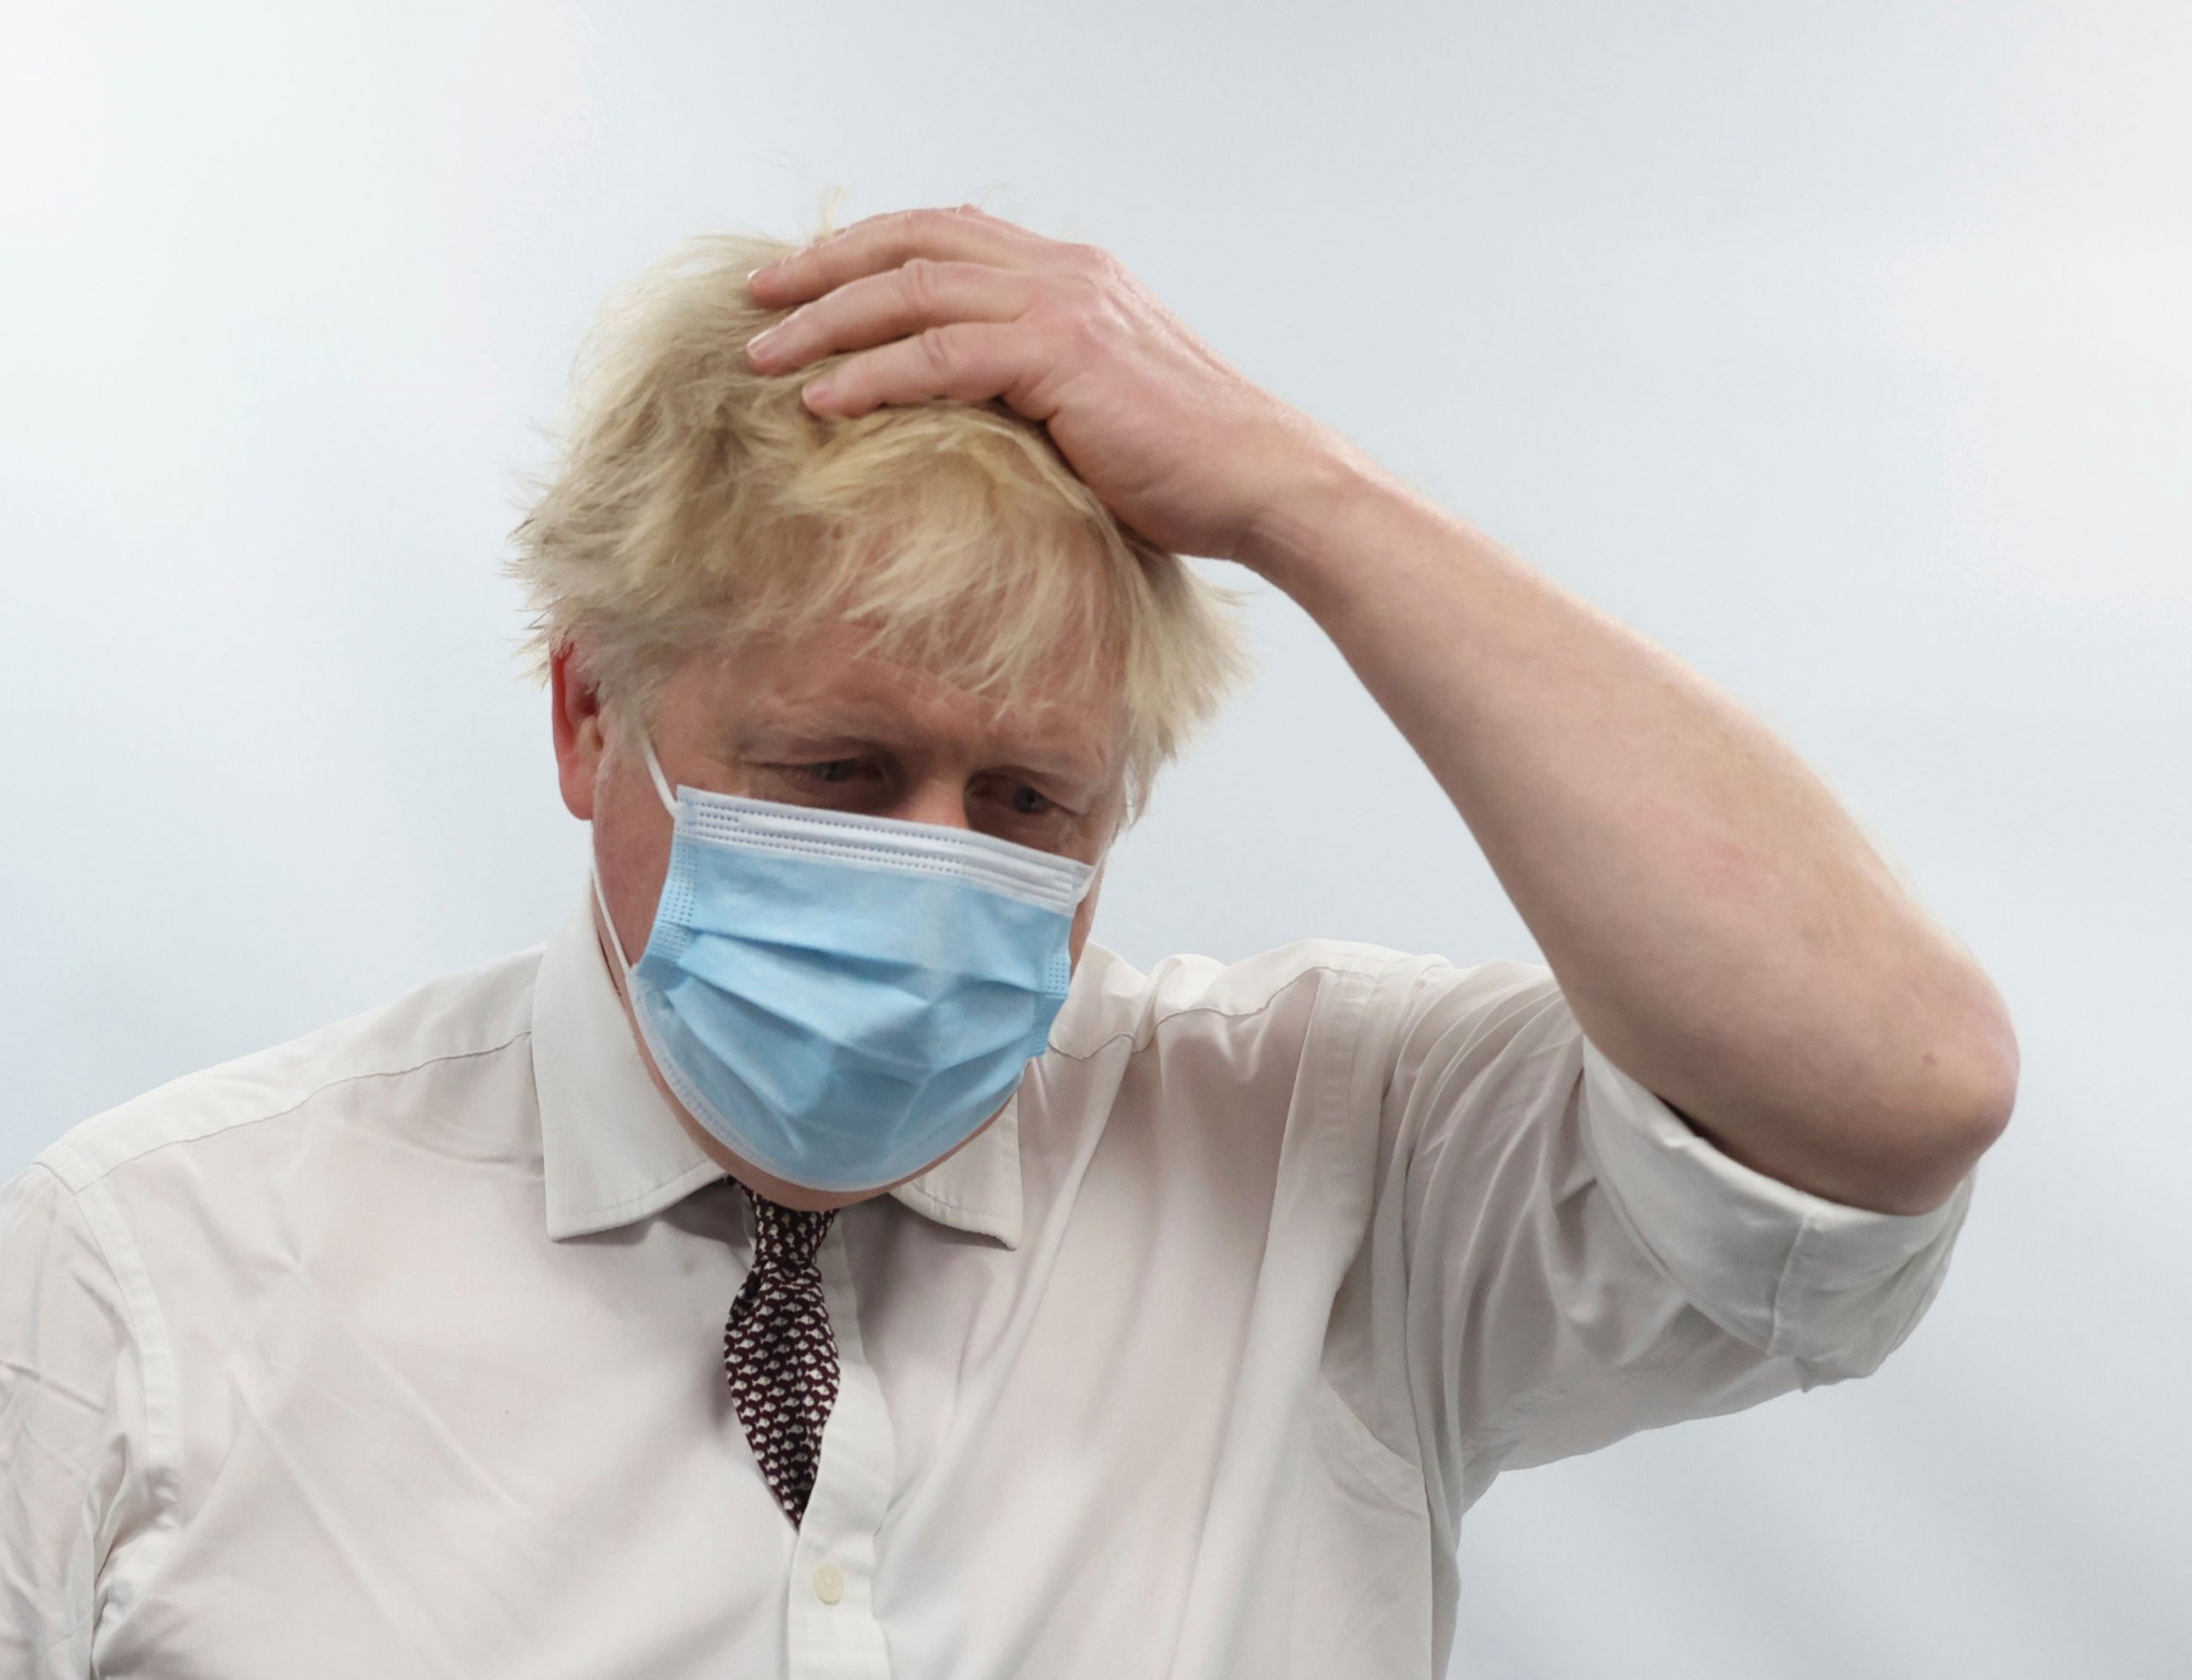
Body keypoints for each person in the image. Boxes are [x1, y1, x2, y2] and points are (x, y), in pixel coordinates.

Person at [0, 202, 2018, 1679]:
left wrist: (1296, 498)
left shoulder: (1339, 1158)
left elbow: (1892, 1086)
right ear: (586, 719)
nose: (932, 868)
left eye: (1030, 803)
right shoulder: (156, 1266)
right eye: (838, 772)